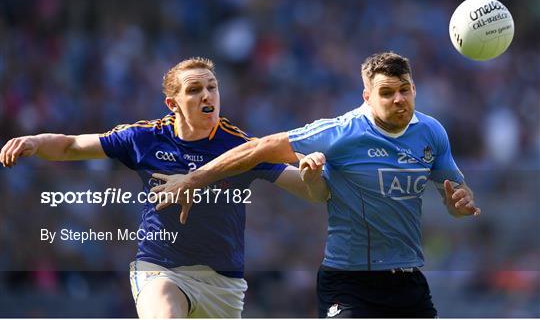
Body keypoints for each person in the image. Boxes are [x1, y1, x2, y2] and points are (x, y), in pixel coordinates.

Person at [151, 52, 481, 318]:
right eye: (387, 92)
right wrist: (194, 178)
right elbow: (257, 149)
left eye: (404, 90)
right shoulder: (343, 132)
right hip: (350, 283)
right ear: (367, 96)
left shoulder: (431, 132)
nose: (399, 99)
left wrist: (458, 205)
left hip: (409, 281)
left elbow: (454, 194)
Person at [0, 57, 329, 318]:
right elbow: (72, 146)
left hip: (222, 285)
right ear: (173, 103)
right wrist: (33, 141)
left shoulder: (240, 145)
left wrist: (312, 174)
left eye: (212, 87)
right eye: (194, 89)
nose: (207, 95)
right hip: (161, 268)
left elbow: (309, 190)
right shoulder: (144, 138)